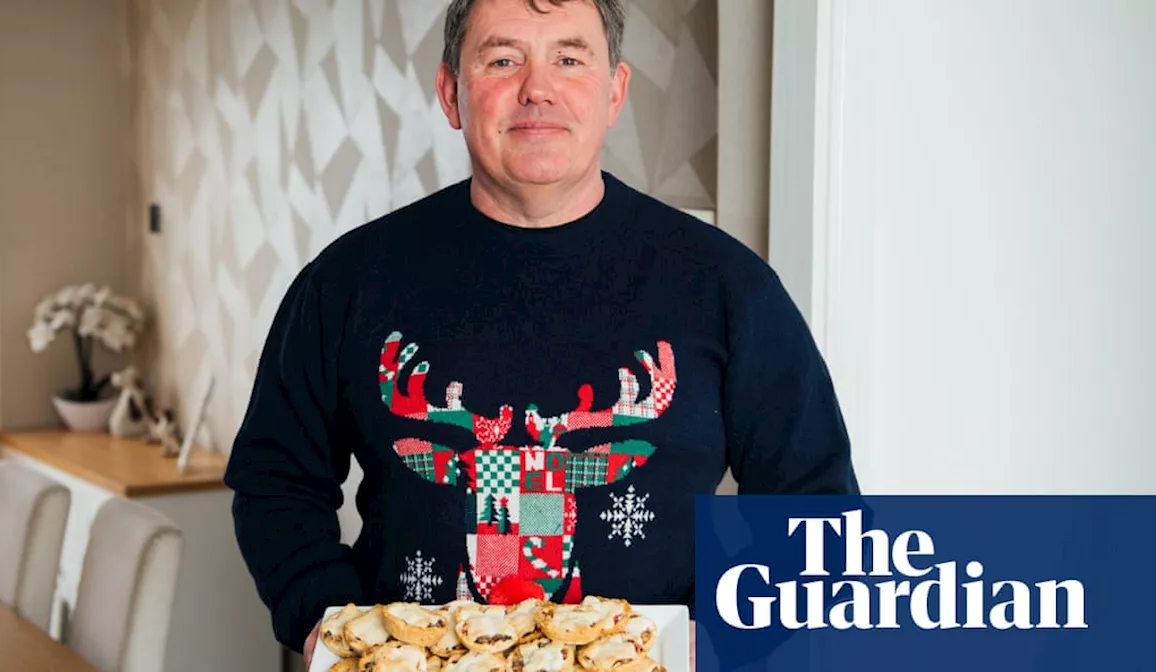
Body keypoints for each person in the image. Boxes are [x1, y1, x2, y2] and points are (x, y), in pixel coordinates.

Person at [223, 0, 860, 666]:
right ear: (450, 93)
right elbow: (276, 480)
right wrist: (329, 623)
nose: (538, 88)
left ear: (614, 93)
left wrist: (729, 641)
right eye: (503, 59)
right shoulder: (347, 281)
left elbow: (818, 511)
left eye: (569, 58)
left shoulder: (728, 285)